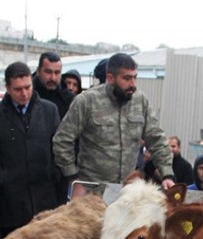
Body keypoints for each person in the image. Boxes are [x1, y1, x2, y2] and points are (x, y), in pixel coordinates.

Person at [53, 52, 174, 197]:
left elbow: (156, 138)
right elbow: (62, 141)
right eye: (127, 78)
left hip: (126, 193)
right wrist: (74, 179)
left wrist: (167, 174)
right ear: (110, 78)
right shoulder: (86, 101)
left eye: (135, 77)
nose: (133, 84)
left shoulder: (140, 101)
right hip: (92, 192)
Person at [0, 62, 62, 239]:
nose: (24, 93)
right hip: (11, 201)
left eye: (27, 87)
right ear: (7, 88)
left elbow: (58, 146)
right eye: (18, 89)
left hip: (44, 198)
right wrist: (1, 178)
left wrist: (53, 172)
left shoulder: (49, 110)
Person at [33, 52, 75, 119]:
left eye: (57, 73)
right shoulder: (26, 94)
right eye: (48, 72)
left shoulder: (69, 100)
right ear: (38, 71)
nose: (53, 78)